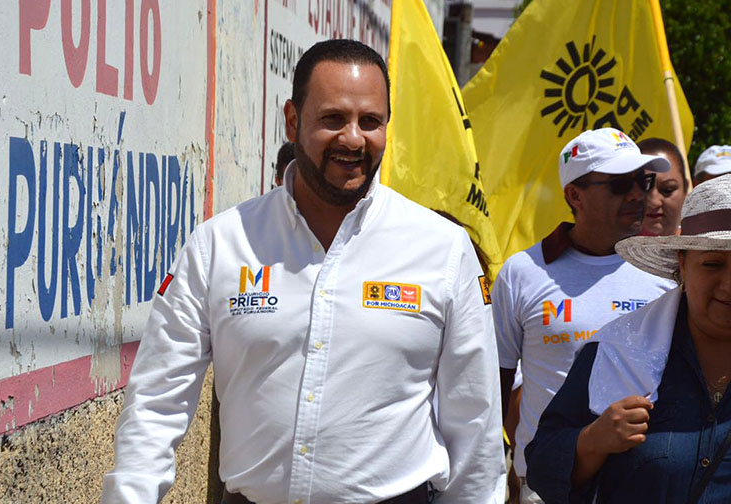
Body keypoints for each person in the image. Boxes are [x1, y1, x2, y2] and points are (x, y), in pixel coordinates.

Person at [101, 39, 506, 504]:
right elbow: (157, 399)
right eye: (333, 118)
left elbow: (474, 420)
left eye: (370, 121)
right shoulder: (219, 244)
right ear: (293, 121)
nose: (353, 139)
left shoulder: (442, 248)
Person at [526, 174, 731, 503]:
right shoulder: (616, 351)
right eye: (712, 264)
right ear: (682, 265)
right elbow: (542, 466)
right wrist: (593, 441)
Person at [491, 128, 674, 503]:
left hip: (642, 484)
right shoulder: (522, 272)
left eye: (643, 181)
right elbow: (495, 389)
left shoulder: (668, 274)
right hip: (547, 487)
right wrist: (529, 459)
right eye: (620, 184)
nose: (638, 195)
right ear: (574, 195)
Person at [637, 138, 688, 236]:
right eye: (644, 187)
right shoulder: (610, 244)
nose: (654, 202)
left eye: (667, 190)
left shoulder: (706, 243)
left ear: (686, 189)